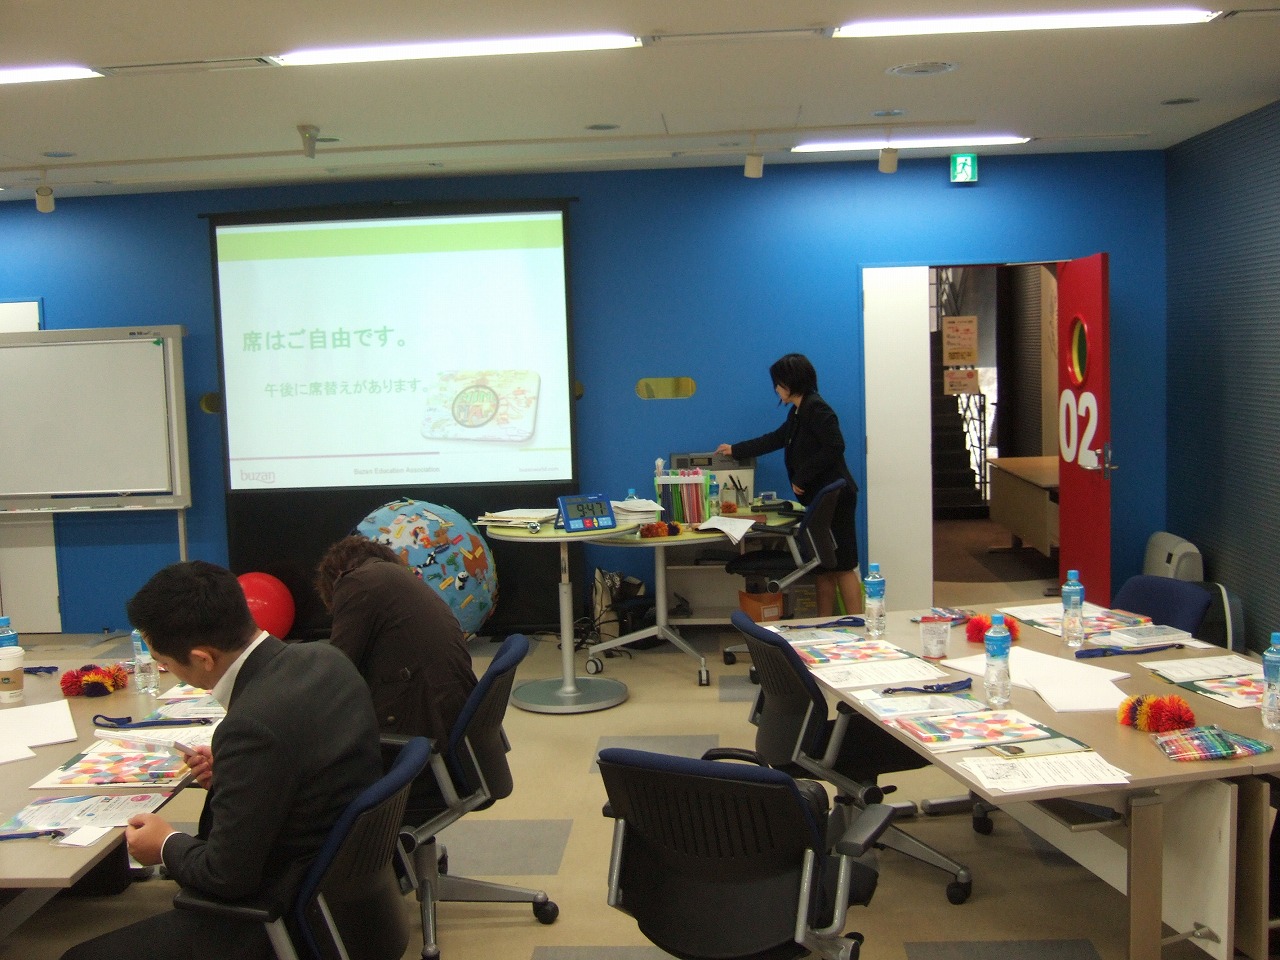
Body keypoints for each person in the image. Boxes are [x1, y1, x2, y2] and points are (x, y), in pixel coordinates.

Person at [62, 560, 382, 960]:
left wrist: (165, 844)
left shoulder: (252, 726)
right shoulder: (326, 658)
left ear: (203, 658)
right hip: (351, 899)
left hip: (285, 913)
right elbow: (307, 763)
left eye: (165, 661)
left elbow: (226, 876)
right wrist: (237, 774)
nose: (164, 668)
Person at [716, 352, 862, 616]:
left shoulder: (816, 408)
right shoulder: (798, 412)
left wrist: (802, 477)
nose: (775, 389)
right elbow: (775, 439)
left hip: (836, 499)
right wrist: (736, 449)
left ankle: (859, 625)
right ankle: (824, 624)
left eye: (778, 383)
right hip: (820, 499)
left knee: (843, 566)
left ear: (790, 382)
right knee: (823, 565)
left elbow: (835, 446)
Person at [314, 535, 478, 746]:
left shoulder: (356, 581)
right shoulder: (399, 578)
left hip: (421, 726)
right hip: (451, 714)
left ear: (336, 575)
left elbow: (337, 671)